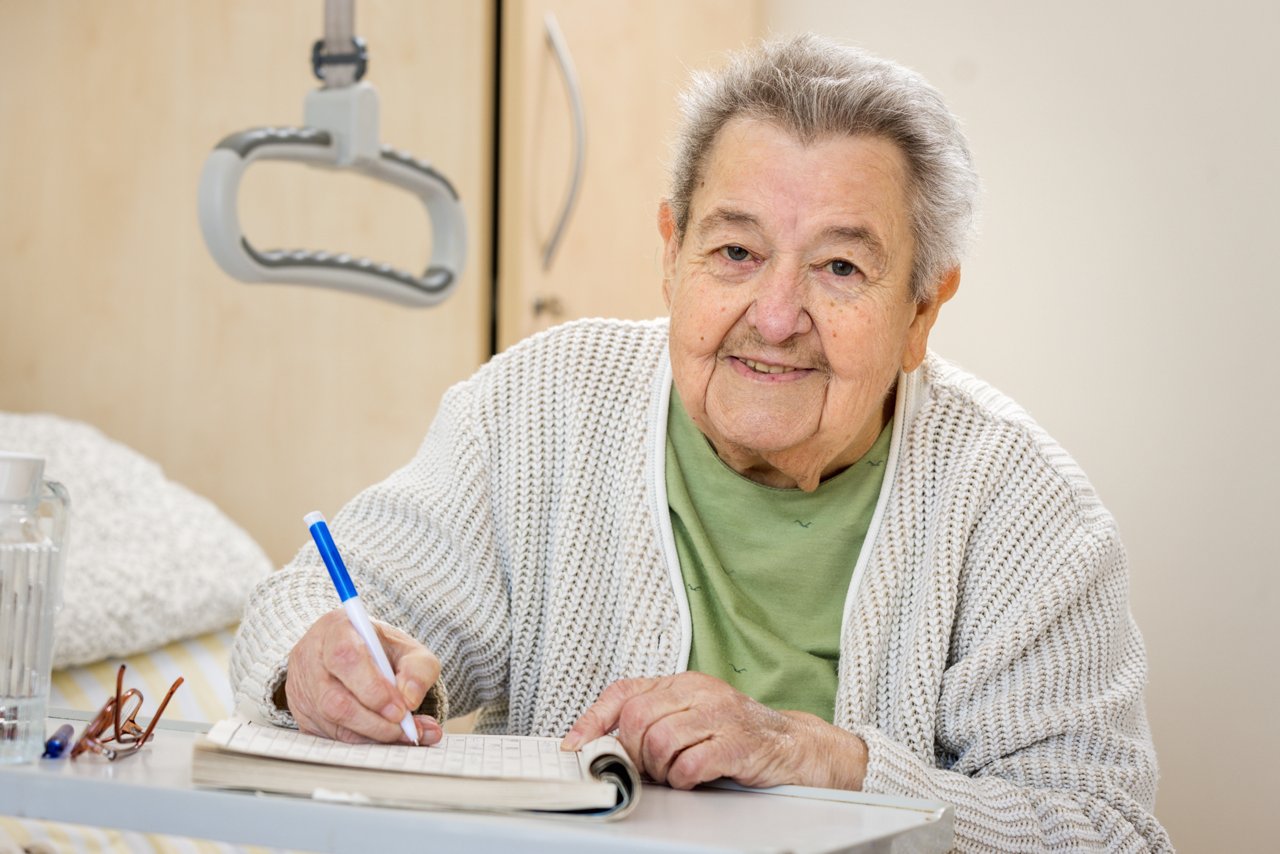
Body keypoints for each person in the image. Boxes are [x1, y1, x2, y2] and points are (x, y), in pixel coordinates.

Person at [232, 34, 1171, 852]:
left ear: (923, 310)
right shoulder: (541, 404)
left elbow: (1107, 831)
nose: (774, 316)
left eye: (840, 267)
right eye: (734, 252)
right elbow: (319, 602)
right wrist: (321, 668)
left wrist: (828, 762)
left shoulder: (1027, 511)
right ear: (671, 252)